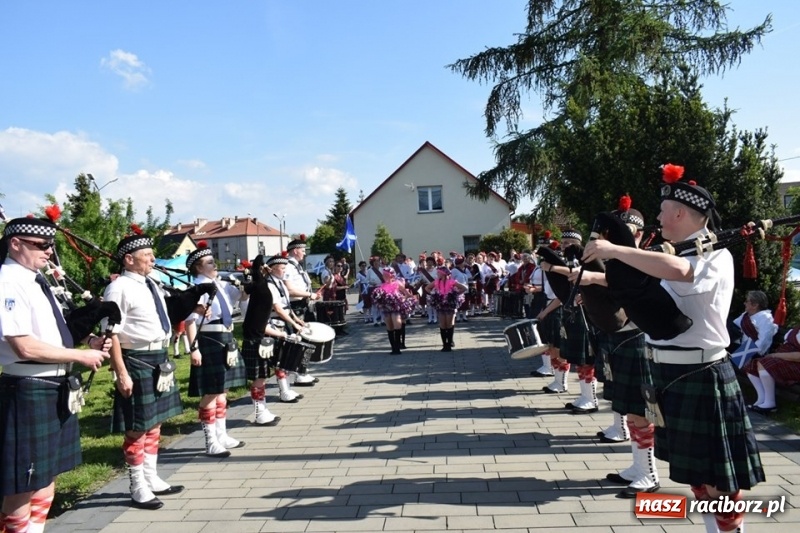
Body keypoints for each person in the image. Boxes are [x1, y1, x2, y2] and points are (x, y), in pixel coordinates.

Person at [582, 164, 764, 532]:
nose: (659, 219)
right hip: (669, 372)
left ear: (680, 212)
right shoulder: (673, 252)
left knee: (718, 482)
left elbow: (680, 272)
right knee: (698, 477)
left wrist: (615, 249)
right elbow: (640, 280)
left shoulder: (715, 256)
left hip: (702, 373)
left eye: (663, 212)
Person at [0, 217, 110, 531]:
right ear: (15, 243)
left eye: (52, 245)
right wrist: (80, 355)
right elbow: (24, 346)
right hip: (28, 385)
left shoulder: (35, 279)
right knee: (22, 485)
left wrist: (89, 341)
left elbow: (53, 330)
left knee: (45, 478)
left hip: (54, 384)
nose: (49, 251)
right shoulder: (8, 281)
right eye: (42, 245)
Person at [569, 202, 660, 498]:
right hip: (618, 336)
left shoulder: (651, 256)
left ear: (641, 235)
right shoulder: (616, 259)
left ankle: (649, 473)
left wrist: (594, 278)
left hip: (638, 338)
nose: (623, 239)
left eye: (629, 233)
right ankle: (637, 467)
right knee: (628, 408)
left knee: (640, 409)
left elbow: (630, 283)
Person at [103, 232, 187, 510]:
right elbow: (111, 334)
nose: (153, 258)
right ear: (129, 259)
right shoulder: (118, 289)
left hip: (159, 356)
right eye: (146, 254)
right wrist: (121, 372)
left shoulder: (151, 282)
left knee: (155, 422)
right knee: (137, 428)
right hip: (136, 358)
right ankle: (137, 485)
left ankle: (151, 477)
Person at [183, 243, 247, 458]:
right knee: (211, 391)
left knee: (223, 389)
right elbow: (190, 321)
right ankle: (210, 441)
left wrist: (248, 281)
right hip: (209, 338)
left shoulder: (219, 284)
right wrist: (194, 349)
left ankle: (222, 434)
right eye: (210, 262)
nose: (215, 264)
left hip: (226, 336)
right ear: (199, 268)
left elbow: (242, 297)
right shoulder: (196, 289)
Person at [240, 255, 285, 426]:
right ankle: (259, 413)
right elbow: (258, 322)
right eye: (265, 267)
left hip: (259, 337)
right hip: (255, 338)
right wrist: (280, 334)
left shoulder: (262, 287)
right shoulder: (259, 289)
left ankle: (262, 409)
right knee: (259, 378)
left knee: (263, 377)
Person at [265, 253, 307, 400]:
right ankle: (283, 390)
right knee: (280, 358)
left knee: (287, 357)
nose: (285, 270)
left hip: (285, 322)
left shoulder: (280, 283)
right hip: (276, 324)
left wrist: (296, 319)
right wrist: (293, 322)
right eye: (282, 268)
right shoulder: (270, 285)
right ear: (273, 269)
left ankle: (287, 388)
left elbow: (287, 306)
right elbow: (278, 309)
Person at [283, 236, 320, 386]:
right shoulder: (288, 266)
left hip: (304, 304)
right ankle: (297, 373)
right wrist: (309, 295)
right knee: (299, 340)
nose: (305, 253)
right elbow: (290, 290)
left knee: (306, 340)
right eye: (303, 250)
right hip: (296, 306)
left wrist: (311, 295)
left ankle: (303, 371)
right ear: (295, 250)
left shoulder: (297, 265)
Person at [743, 325, 800, 414]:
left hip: (796, 365)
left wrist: (775, 355)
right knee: (752, 365)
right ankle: (761, 399)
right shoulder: (797, 329)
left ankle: (770, 403)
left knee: (765, 363)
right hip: (785, 360)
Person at [730, 290, 777, 370]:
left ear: (755, 305)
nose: (744, 303)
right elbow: (733, 326)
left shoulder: (766, 318)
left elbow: (763, 342)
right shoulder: (745, 315)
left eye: (746, 301)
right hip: (740, 348)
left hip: (753, 355)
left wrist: (745, 356)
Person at [372, 268, 414, 354]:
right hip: (387, 309)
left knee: (397, 325)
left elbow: (408, 294)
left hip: (396, 308)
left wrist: (403, 298)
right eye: (383, 275)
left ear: (391, 275)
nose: (384, 276)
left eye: (386, 275)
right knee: (389, 328)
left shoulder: (397, 283)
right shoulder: (382, 286)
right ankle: (393, 348)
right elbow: (378, 298)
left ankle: (398, 348)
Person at [425, 266, 467, 352]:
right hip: (440, 305)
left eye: (438, 272)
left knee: (449, 324)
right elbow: (427, 288)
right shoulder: (436, 282)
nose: (437, 274)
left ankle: (449, 343)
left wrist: (455, 294)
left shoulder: (451, 281)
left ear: (443, 273)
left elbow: (464, 288)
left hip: (449, 305)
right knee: (442, 324)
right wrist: (433, 293)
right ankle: (444, 344)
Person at [365, 256, 385, 327]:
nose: (377, 263)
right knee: (374, 305)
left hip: (381, 288)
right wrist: (371, 282)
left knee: (382, 305)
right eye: (375, 262)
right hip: (373, 288)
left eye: (378, 261)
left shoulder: (382, 270)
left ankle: (383, 320)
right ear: (372, 263)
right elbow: (366, 280)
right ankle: (375, 321)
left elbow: (385, 279)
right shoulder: (369, 271)